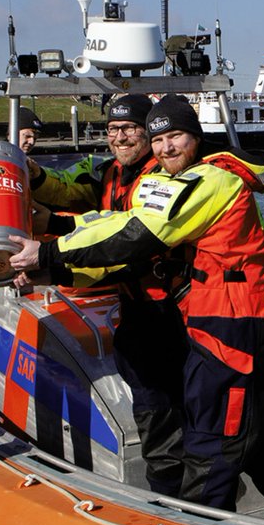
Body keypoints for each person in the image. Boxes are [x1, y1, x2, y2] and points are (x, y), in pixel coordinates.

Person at [9, 95, 264, 525]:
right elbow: (117, 221)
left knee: (213, 443)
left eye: (173, 136)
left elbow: (143, 235)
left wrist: (50, 258)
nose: (164, 148)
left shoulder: (210, 179)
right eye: (159, 138)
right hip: (207, 323)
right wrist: (55, 229)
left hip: (236, 325)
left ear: (195, 138)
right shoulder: (163, 178)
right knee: (242, 435)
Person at [25, 93, 188, 496]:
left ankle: (175, 496)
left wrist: (51, 261)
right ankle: (170, 486)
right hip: (136, 310)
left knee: (163, 406)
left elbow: (125, 237)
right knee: (151, 402)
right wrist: (34, 176)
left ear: (148, 132)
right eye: (113, 129)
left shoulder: (162, 178)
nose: (120, 137)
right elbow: (69, 191)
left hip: (171, 312)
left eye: (130, 128)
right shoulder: (107, 172)